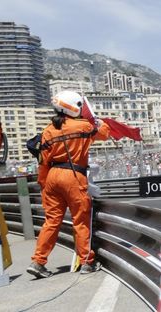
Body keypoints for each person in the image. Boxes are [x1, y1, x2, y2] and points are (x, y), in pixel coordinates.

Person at [27, 90, 111, 278]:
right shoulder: (82, 126)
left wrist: (43, 184)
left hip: (51, 177)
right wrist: (100, 123)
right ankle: (87, 262)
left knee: (51, 221)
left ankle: (38, 262)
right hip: (73, 176)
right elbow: (104, 134)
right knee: (80, 221)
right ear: (74, 107)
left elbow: (43, 162)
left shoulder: (48, 130)